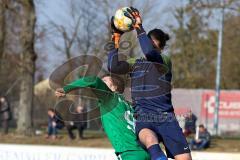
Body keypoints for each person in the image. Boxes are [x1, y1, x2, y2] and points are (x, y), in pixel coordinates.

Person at [108, 7, 192, 160]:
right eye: (149, 40)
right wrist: (115, 36)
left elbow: (150, 52)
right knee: (150, 140)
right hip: (144, 117)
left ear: (161, 46)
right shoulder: (136, 63)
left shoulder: (164, 61)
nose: (150, 43)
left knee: (185, 158)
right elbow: (113, 67)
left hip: (165, 118)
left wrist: (139, 27)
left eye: (153, 42)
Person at [55, 75, 150, 160]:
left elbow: (92, 79)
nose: (101, 82)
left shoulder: (110, 98)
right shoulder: (129, 106)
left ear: (114, 87)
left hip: (129, 153)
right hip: (145, 152)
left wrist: (66, 89)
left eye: (104, 81)